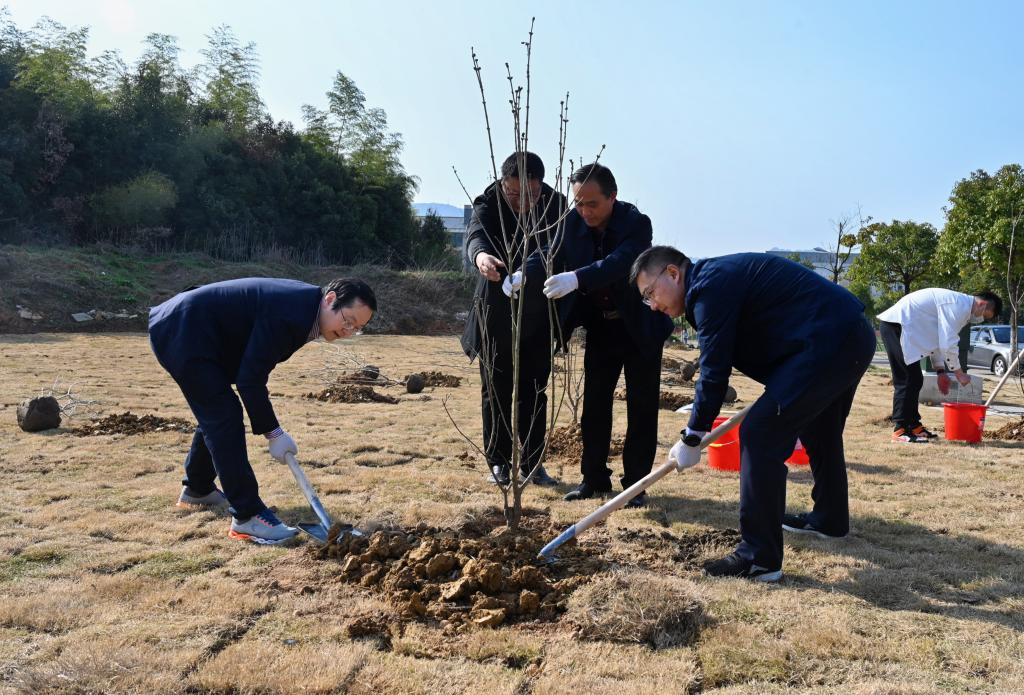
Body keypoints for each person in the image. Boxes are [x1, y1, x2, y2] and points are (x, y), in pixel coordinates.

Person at [631, 246, 875, 582]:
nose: (653, 305)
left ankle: (759, 557)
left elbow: (714, 372)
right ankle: (830, 519)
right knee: (820, 430)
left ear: (673, 274)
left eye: (650, 293)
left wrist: (693, 435)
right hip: (846, 335)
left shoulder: (709, 289)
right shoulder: (713, 282)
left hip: (829, 341)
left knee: (760, 434)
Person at [149, 277, 376, 544]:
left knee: (219, 412)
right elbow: (250, 380)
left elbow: (251, 368)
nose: (348, 331)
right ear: (330, 299)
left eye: (356, 329)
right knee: (223, 416)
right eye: (348, 321)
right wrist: (274, 433)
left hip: (203, 333)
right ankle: (248, 517)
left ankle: (198, 490)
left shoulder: (307, 310)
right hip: (183, 329)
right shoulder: (291, 313)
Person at [541, 163, 673, 508]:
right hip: (601, 325)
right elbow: (547, 255)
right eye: (578, 203)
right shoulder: (571, 223)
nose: (584, 211)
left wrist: (577, 278)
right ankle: (593, 479)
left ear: (612, 196)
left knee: (642, 408)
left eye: (592, 204)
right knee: (595, 406)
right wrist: (523, 274)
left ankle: (635, 486)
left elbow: (620, 262)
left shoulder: (637, 224)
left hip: (640, 326)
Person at [461, 152, 566, 486]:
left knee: (534, 391)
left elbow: (557, 247)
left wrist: (529, 273)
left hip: (538, 313)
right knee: (496, 389)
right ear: (503, 183)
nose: (523, 202)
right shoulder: (489, 201)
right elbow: (475, 235)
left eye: (531, 194)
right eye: (514, 193)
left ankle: (533, 464)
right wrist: (481, 257)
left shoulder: (556, 205)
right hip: (495, 310)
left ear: (541, 185)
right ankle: (498, 462)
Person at [877, 288, 1002, 443]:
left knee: (915, 379)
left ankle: (914, 426)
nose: (980, 319)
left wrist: (940, 371)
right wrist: (959, 373)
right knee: (907, 379)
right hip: (897, 325)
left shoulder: (960, 307)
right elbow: (948, 343)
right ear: (982, 304)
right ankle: (900, 430)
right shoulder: (958, 306)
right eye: (985, 316)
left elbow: (936, 340)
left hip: (904, 328)